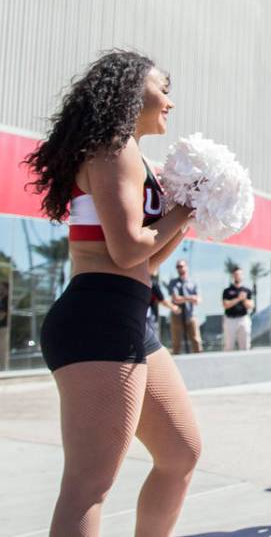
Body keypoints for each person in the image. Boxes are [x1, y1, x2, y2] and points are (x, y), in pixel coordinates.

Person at [24, 51, 200, 535]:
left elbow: (145, 260)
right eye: (162, 87)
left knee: (180, 453)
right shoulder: (113, 147)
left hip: (129, 315)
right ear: (130, 91)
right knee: (89, 484)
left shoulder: (132, 154)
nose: (170, 100)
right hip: (97, 315)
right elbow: (125, 251)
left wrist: (184, 214)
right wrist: (183, 213)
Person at [168, 259, 202, 354]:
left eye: (181, 266)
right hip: (177, 316)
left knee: (196, 341)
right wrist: (191, 297)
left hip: (191, 315)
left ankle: (200, 362)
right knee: (176, 342)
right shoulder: (173, 282)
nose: (180, 269)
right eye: (178, 267)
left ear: (186, 267)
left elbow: (198, 300)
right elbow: (175, 299)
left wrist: (184, 298)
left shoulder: (194, 282)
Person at [221, 267, 254, 351]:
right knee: (229, 345)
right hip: (230, 320)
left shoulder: (247, 290)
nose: (237, 276)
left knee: (245, 345)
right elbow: (225, 305)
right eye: (236, 274)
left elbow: (251, 305)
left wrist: (244, 299)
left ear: (242, 276)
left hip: (243, 319)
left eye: (239, 274)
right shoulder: (227, 291)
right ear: (233, 276)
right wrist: (238, 298)